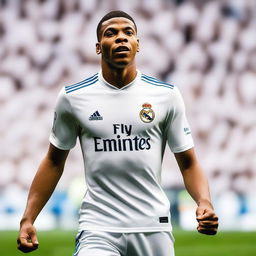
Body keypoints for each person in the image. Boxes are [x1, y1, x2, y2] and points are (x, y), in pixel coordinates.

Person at [17, 10, 218, 256]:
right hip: (98, 229)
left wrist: (204, 201)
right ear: (98, 47)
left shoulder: (166, 95)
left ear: (137, 45)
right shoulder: (73, 97)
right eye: (111, 33)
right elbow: (53, 161)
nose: (121, 38)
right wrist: (28, 218)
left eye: (128, 33)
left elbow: (188, 163)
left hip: (153, 227)